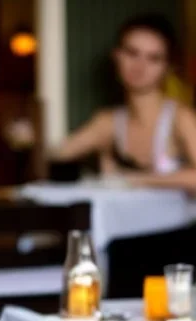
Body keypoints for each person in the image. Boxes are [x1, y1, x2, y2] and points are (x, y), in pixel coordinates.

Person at [53, 13, 196, 192]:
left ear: (166, 67)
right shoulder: (108, 121)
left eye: (153, 58)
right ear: (117, 55)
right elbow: (58, 154)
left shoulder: (180, 118)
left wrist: (133, 180)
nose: (140, 66)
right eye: (132, 53)